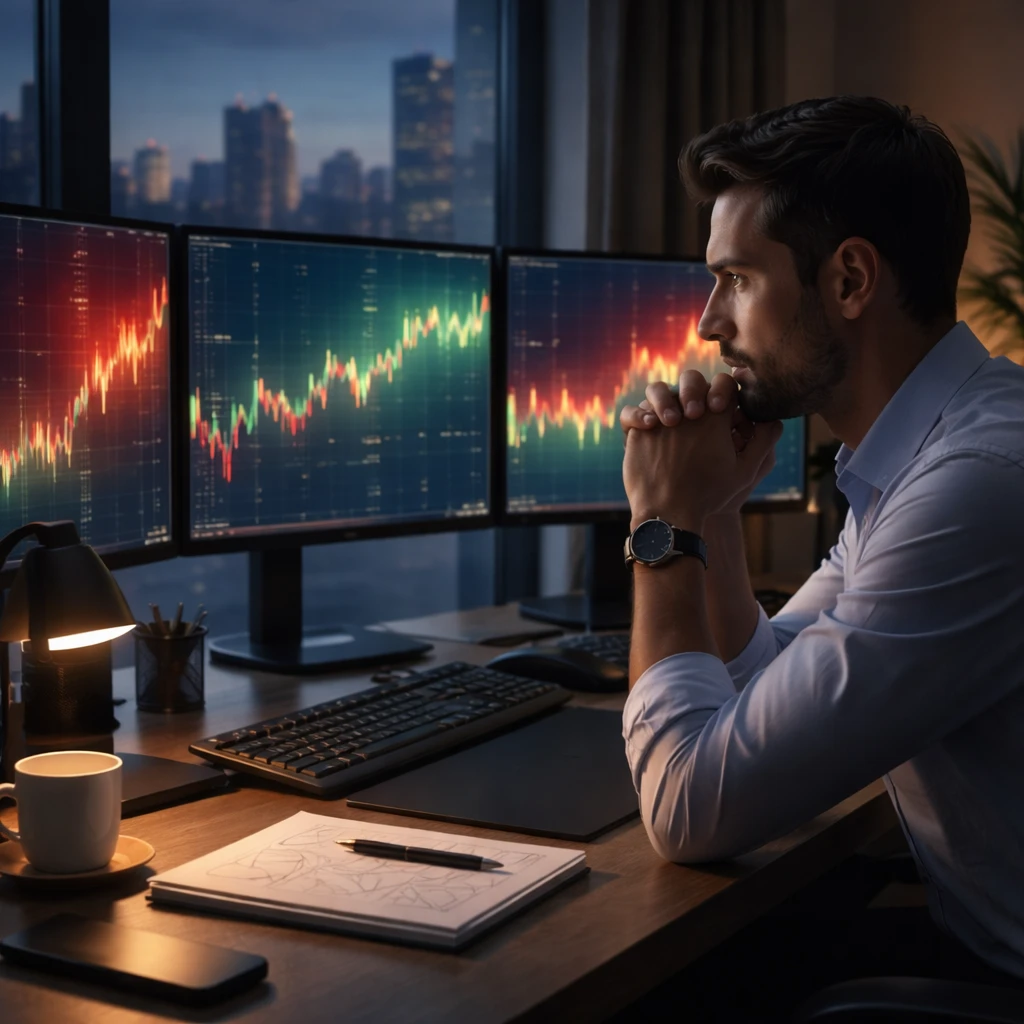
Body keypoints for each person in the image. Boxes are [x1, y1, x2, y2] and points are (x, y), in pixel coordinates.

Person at [617, 95, 1024, 1010]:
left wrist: (662, 531)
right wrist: (716, 512)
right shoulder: (922, 453)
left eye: (736, 279)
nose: (710, 323)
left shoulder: (976, 486)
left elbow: (690, 808)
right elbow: (763, 686)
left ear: (848, 282)